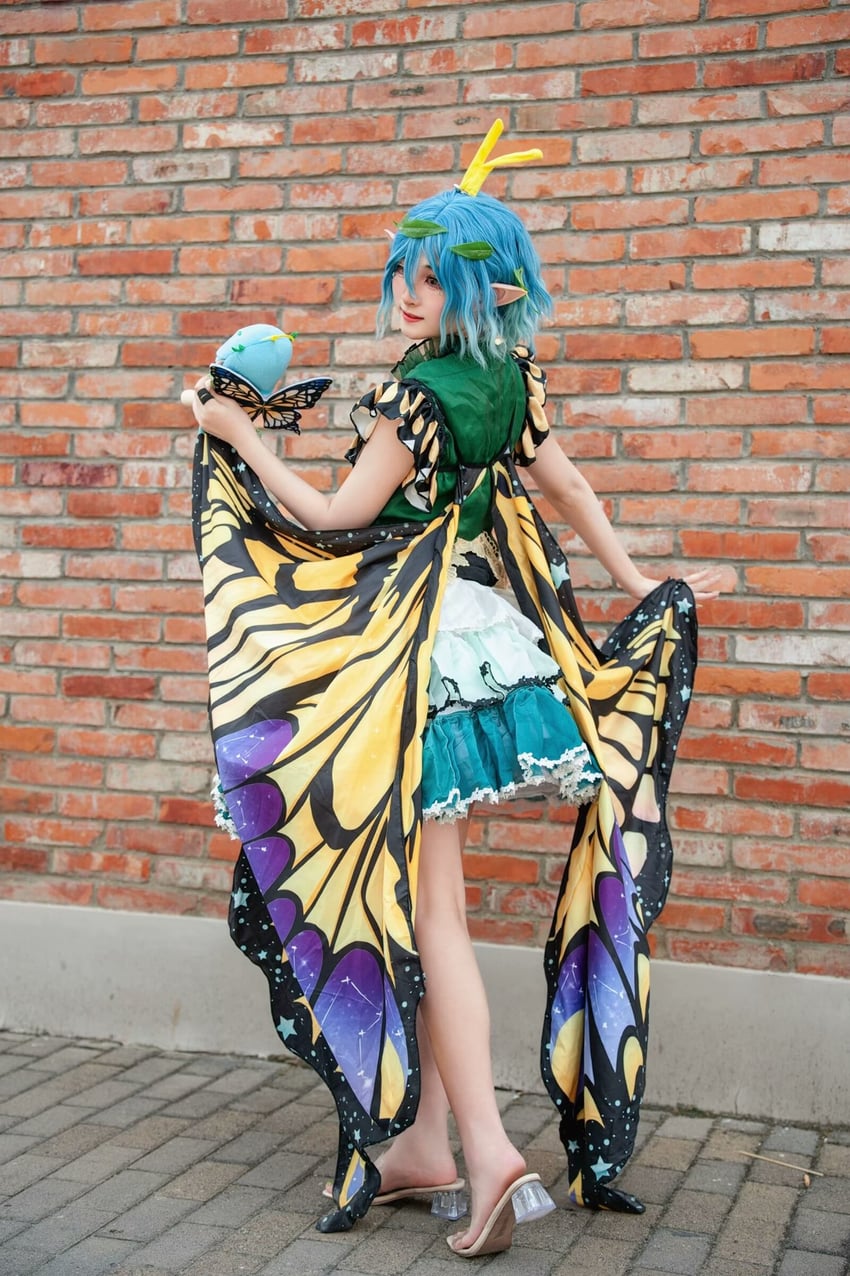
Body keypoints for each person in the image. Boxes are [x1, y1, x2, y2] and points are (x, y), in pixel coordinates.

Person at [189, 122, 727, 1258]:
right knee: (418, 904)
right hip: (480, 647)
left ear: (487, 288)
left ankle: (486, 1152)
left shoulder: (416, 399)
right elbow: (567, 487)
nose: (408, 293)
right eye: (404, 272)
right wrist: (637, 577)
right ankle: (426, 1142)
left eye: (432, 279)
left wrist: (237, 434)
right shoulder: (510, 382)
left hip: (408, 657)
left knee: (428, 914)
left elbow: (331, 517)